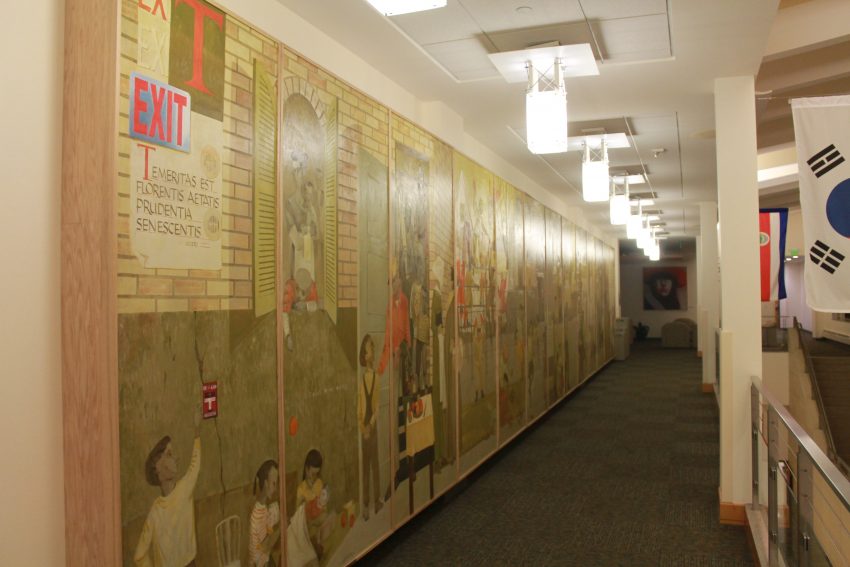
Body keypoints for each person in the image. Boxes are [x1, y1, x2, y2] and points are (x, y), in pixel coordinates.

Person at [134, 412, 202, 567]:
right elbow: (139, 556)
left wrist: (197, 431)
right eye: (169, 454)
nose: (176, 458)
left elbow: (195, 465)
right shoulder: (155, 512)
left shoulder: (184, 488)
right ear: (158, 468)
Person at [357, 335, 382, 521]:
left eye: (371, 349)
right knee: (366, 466)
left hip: (371, 426)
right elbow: (359, 409)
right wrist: (363, 428)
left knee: (375, 464)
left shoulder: (376, 377)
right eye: (368, 350)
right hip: (365, 426)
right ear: (364, 356)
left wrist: (370, 426)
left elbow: (377, 407)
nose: (371, 352)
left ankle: (377, 499)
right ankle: (365, 503)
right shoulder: (361, 380)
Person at [250, 460, 281, 567]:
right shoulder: (257, 513)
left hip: (266, 559)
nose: (276, 488)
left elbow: (268, 532)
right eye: (274, 483)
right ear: (266, 483)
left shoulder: (264, 507)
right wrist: (279, 527)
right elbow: (264, 547)